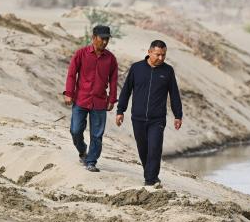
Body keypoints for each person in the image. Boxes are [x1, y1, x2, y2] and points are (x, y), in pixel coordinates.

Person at [115, 40, 183, 187]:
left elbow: (174, 94)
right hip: (137, 118)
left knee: (154, 148)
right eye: (158, 54)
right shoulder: (136, 68)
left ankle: (150, 180)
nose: (161, 58)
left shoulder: (168, 71)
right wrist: (120, 110)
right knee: (143, 149)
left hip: (157, 119)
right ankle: (151, 175)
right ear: (149, 52)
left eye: (163, 55)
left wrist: (178, 115)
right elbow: (126, 90)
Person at [63, 25, 118, 173]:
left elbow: (113, 80)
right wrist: (69, 93)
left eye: (107, 39)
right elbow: (71, 74)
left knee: (97, 135)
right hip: (81, 99)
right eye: (102, 38)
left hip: (100, 102)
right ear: (93, 38)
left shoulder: (111, 59)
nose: (105, 42)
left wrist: (112, 99)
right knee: (75, 130)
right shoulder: (81, 54)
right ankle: (82, 151)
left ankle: (91, 161)